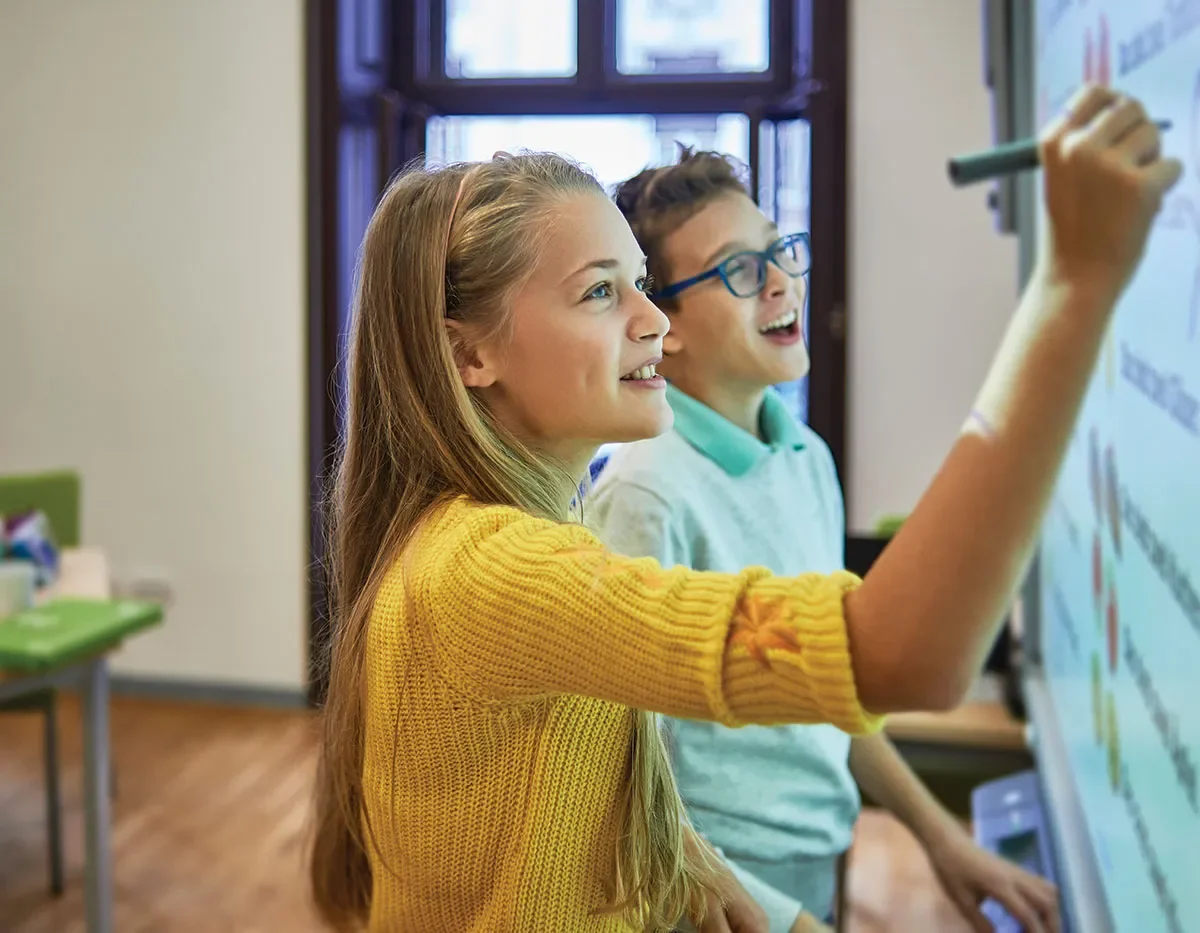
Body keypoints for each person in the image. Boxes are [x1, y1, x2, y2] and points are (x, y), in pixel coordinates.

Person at [307, 85, 1180, 933]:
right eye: (599, 292)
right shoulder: (496, 566)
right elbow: (904, 654)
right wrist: (1075, 281)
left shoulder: (517, 537)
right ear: (470, 357)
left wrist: (695, 861)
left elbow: (566, 788)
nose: (653, 320)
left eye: (641, 282)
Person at [591, 146, 1060, 933]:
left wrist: (941, 836)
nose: (781, 281)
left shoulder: (805, 455)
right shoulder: (644, 495)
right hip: (710, 895)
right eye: (740, 268)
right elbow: (628, 795)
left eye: (780, 250)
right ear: (661, 325)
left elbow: (832, 685)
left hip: (814, 861)